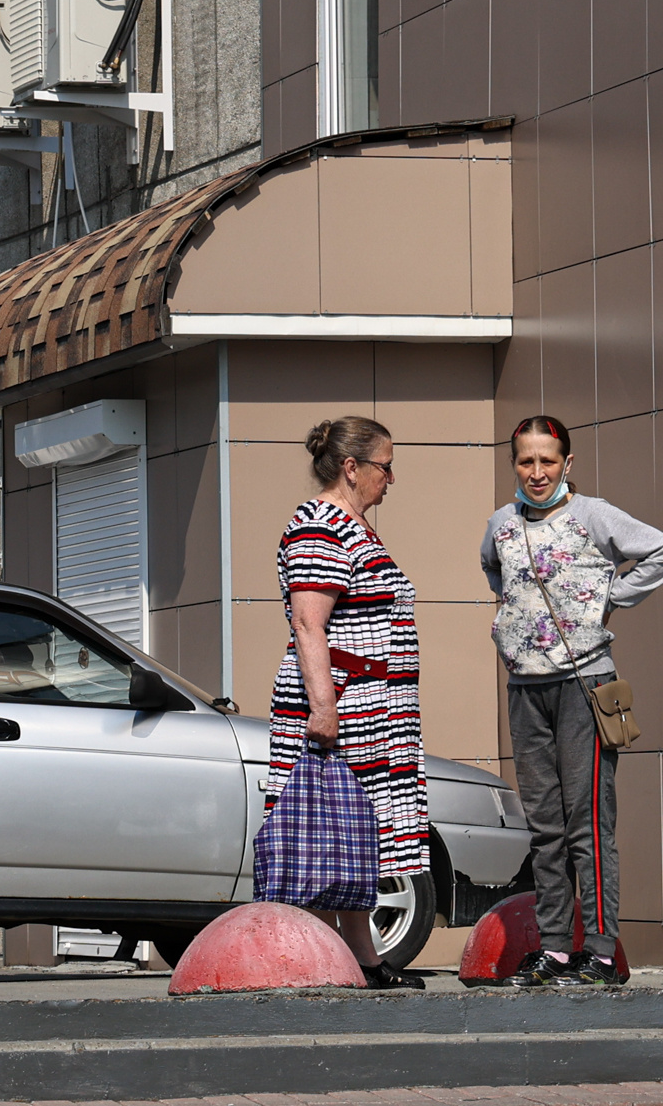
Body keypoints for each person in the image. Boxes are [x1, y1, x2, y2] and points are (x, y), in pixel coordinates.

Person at [480, 415, 663, 988]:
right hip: (525, 687)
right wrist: (513, 626)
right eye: (526, 461)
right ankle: (555, 950)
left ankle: (597, 950)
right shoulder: (499, 523)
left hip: (584, 685)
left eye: (548, 461)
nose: (537, 472)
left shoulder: (594, 514)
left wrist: (607, 599)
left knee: (587, 825)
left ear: (567, 463)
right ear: (513, 463)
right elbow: (495, 572)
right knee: (544, 826)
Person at [267, 415, 428, 990]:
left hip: (375, 711)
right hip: (346, 707)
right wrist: (324, 708)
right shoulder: (320, 524)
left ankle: (361, 957)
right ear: (352, 467)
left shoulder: (353, 525)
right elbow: (310, 624)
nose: (392, 478)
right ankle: (318, 961)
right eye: (386, 466)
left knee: (357, 835)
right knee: (329, 831)